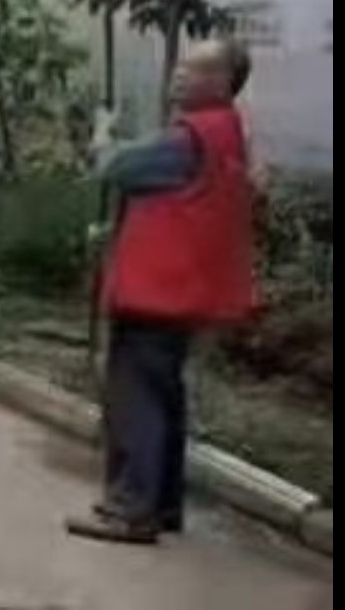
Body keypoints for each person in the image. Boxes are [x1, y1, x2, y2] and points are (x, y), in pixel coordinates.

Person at [66, 38, 260, 545]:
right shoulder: (226, 133)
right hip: (184, 291)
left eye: (195, 68)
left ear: (223, 82)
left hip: (157, 293)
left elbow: (116, 167)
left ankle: (131, 510)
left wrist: (103, 133)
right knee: (163, 397)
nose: (179, 74)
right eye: (181, 65)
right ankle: (161, 505)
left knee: (137, 401)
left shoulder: (186, 139)